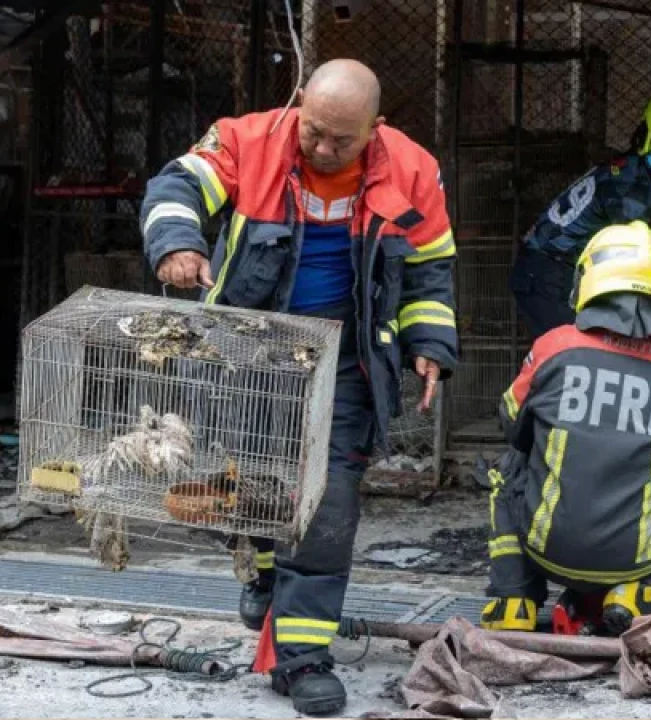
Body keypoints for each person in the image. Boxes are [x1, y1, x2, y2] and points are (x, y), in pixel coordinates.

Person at [138, 58, 459, 715]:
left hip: (347, 363)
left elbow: (431, 266)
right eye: (313, 130)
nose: (322, 148)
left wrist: (430, 344)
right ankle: (262, 570)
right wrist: (176, 243)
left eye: (342, 139)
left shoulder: (413, 169)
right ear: (299, 102)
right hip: (246, 354)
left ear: (375, 127)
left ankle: (303, 657)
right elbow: (175, 185)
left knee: (328, 504)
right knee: (252, 487)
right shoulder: (246, 140)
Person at [482, 219, 651, 638]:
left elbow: (512, 425)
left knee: (507, 471)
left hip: (545, 549)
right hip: (635, 559)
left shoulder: (555, 346)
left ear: (588, 278)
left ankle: (513, 601)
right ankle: (637, 594)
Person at [510, 82, 651, 340]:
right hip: (549, 275)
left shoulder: (633, 172)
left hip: (555, 272)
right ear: (646, 137)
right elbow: (637, 265)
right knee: (577, 354)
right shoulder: (632, 188)